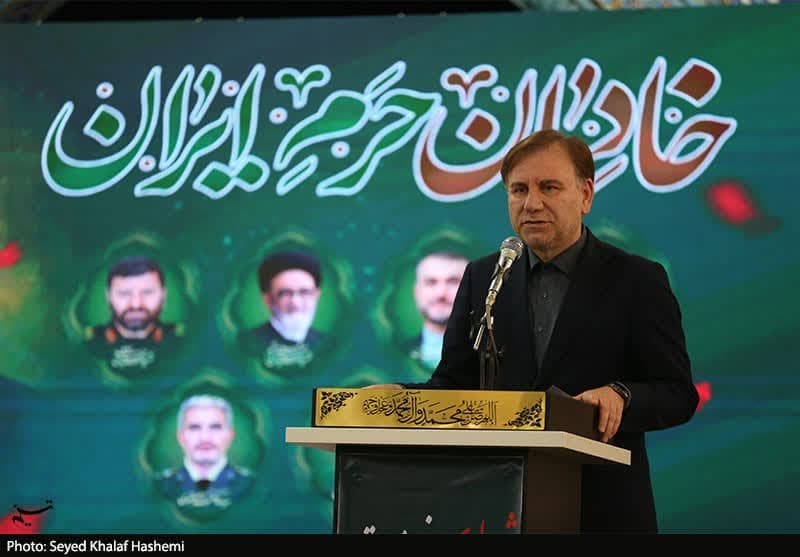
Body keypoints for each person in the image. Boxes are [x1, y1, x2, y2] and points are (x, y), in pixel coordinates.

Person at [367, 129, 699, 533]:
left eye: (549, 187)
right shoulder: (484, 277)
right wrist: (401, 398)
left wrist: (622, 395)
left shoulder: (636, 280)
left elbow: (677, 394)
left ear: (586, 195)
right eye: (519, 190)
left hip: (601, 508)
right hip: (498, 509)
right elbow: (455, 385)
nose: (532, 203)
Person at [154, 394, 253, 511]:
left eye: (215, 427)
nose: (205, 438)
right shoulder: (160, 486)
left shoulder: (250, 485)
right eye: (194, 427)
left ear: (230, 436)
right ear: (180, 437)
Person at [86, 256, 182, 374]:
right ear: (108, 297)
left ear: (164, 296)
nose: (136, 304)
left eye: (147, 292)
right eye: (124, 293)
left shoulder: (180, 340)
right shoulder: (89, 343)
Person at [237, 250, 325, 370]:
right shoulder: (246, 344)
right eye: (285, 293)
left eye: (304, 292)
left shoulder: (327, 344)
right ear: (268, 299)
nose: (296, 303)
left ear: (316, 295)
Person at [401, 251, 468, 370]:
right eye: (431, 282)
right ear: (416, 292)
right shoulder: (394, 355)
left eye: (453, 282)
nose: (440, 293)